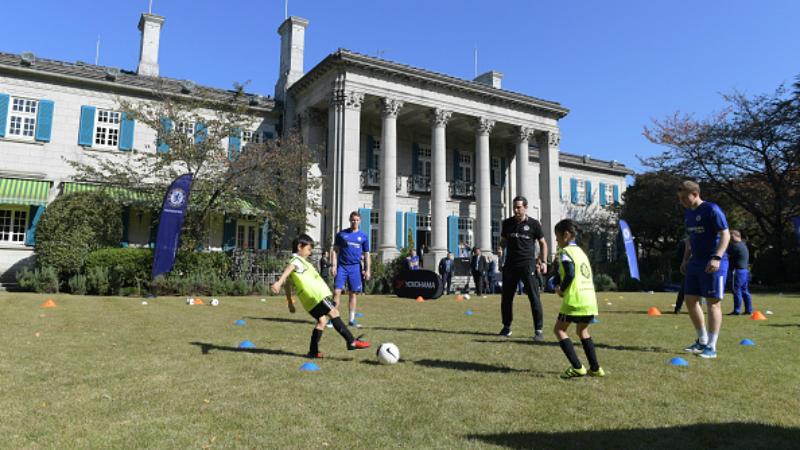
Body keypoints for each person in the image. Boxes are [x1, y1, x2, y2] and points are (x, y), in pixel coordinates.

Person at [270, 234, 370, 358]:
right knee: (334, 313)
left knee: (322, 321)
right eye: (308, 249)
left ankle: (313, 351)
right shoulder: (296, 261)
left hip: (309, 302)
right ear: (299, 247)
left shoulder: (300, 263)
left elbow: (288, 284)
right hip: (316, 296)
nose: (310, 252)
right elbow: (288, 270)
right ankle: (351, 341)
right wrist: (278, 282)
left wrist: (290, 302)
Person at [678, 180, 730, 359]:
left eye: (685, 197)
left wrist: (717, 257)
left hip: (713, 261)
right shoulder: (688, 213)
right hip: (695, 262)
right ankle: (701, 340)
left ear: (695, 193)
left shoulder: (712, 210)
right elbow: (690, 239)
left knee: (712, 302)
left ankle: (712, 347)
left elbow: (726, 234)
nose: (682, 201)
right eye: (680, 198)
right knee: (690, 299)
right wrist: (685, 259)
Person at [552, 219, 604, 378]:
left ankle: (577, 367)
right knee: (582, 330)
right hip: (589, 299)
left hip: (575, 299)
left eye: (557, 236)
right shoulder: (581, 252)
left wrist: (561, 289)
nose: (556, 240)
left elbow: (570, 273)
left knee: (559, 330)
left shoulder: (565, 252)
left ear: (566, 235)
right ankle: (595, 368)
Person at [499, 196, 547, 342]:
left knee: (534, 298)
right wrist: (501, 248)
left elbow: (543, 243)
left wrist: (543, 261)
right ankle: (506, 327)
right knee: (506, 298)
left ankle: (538, 330)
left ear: (525, 207)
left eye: (518, 207)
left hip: (528, 265)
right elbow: (503, 241)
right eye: (514, 207)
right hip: (510, 265)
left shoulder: (534, 224)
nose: (516, 210)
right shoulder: (507, 223)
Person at [331, 211, 371, 328]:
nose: (355, 222)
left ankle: (352, 320)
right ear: (350, 220)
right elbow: (334, 250)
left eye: (357, 220)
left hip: (355, 268)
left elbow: (367, 254)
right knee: (337, 292)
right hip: (342, 267)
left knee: (352, 294)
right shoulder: (341, 235)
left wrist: (368, 270)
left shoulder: (363, 236)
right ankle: (333, 319)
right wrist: (333, 265)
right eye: (353, 220)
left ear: (360, 221)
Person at [727, 230, 752, 315]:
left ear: (734, 236)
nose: (729, 238)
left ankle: (737, 310)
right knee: (745, 290)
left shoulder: (735, 246)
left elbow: (725, 253)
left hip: (737, 271)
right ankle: (749, 310)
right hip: (745, 271)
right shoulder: (743, 245)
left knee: (736, 290)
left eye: (730, 236)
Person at [673, 239, 687, 314]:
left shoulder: (684, 242)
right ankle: (677, 308)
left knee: (683, 289)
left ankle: (678, 308)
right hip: (691, 266)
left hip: (689, 266)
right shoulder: (686, 242)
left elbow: (678, 256)